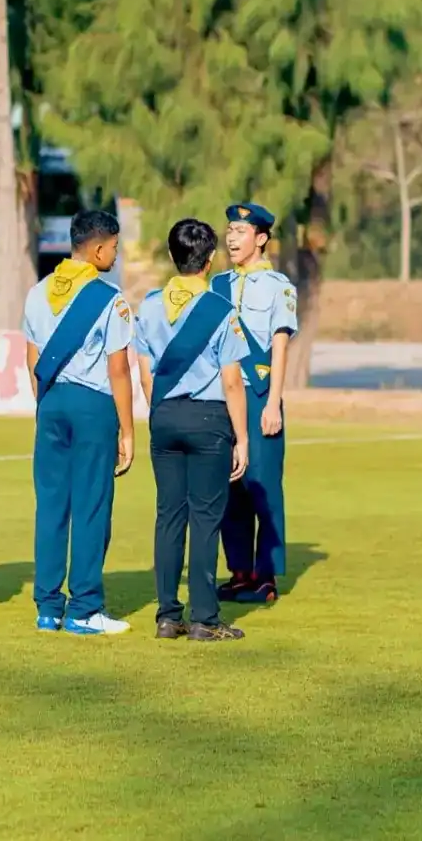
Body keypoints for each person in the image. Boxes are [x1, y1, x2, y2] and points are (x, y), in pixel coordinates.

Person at [134, 219, 251, 642]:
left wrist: (159, 410)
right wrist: (243, 436)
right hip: (209, 419)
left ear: (171, 256)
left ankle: (168, 616)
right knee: (205, 518)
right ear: (210, 259)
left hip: (164, 415)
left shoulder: (148, 305)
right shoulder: (222, 310)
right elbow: (233, 379)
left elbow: (145, 372)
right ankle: (204, 618)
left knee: (169, 516)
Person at [22, 209, 136, 635]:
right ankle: (85, 608)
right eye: (115, 249)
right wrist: (127, 429)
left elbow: (32, 360)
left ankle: (48, 608)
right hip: (92, 407)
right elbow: (119, 370)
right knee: (90, 506)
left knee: (51, 506)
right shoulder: (111, 299)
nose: (116, 257)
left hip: (50, 403)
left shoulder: (37, 292)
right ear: (99, 248)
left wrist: (46, 404)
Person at [212, 203, 298, 604]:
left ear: (260, 238)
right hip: (223, 395)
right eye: (229, 230)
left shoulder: (279, 286)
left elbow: (279, 347)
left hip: (258, 392)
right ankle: (240, 571)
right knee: (230, 485)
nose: (231, 238)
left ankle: (266, 575)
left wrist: (273, 403)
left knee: (262, 486)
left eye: (240, 231)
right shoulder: (216, 286)